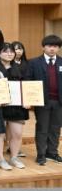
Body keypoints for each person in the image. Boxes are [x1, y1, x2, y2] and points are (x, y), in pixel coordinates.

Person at [28, 35, 62, 165]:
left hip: (59, 102)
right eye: (49, 46)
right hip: (42, 101)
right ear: (43, 47)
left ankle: (52, 153)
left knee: (55, 128)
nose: (52, 49)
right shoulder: (34, 62)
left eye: (55, 46)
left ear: (59, 48)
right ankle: (41, 154)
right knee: (42, 128)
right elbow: (28, 81)